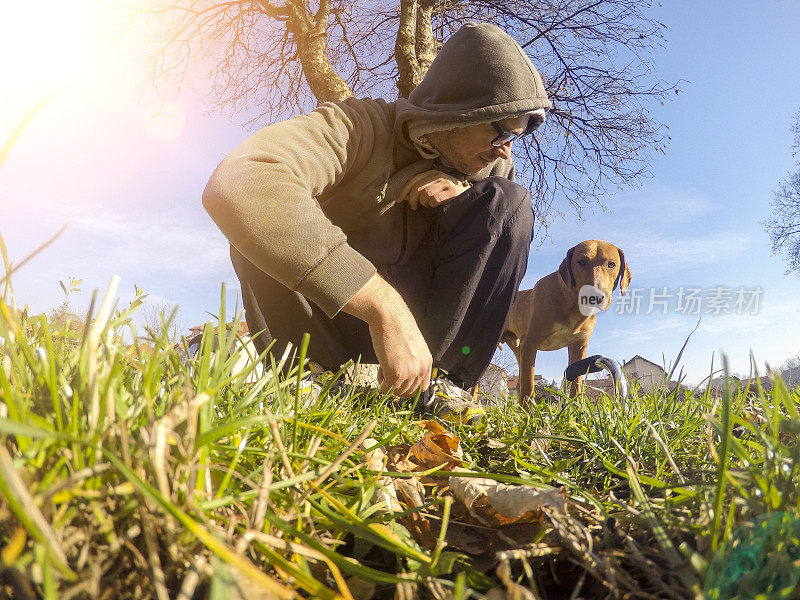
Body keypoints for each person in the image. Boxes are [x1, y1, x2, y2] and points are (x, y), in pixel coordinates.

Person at [202, 22, 551, 405]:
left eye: (516, 138)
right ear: (460, 111)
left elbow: (492, 248)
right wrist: (383, 306)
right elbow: (242, 179)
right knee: (258, 219)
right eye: (501, 133)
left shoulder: (491, 172)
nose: (505, 151)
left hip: (426, 332)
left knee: (509, 202)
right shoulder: (358, 125)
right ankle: (305, 380)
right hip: (324, 319)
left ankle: (442, 386)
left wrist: (464, 196)